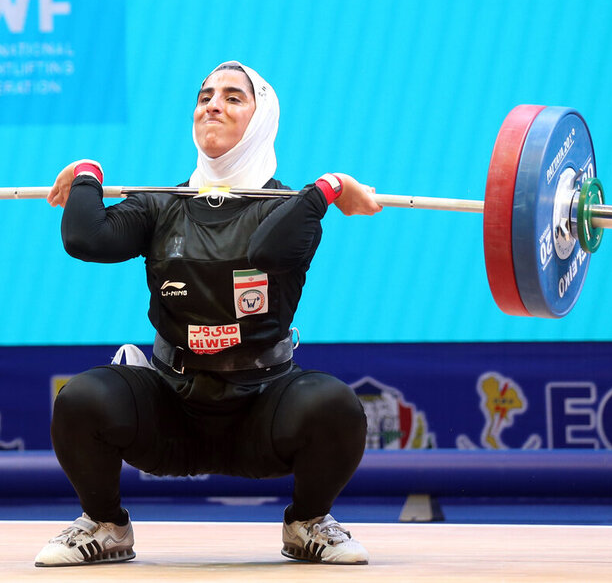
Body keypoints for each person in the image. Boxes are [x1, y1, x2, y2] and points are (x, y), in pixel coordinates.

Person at [35, 61, 382, 567]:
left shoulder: (288, 206)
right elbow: (87, 239)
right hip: (172, 407)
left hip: (262, 411)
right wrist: (87, 174)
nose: (212, 104)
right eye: (205, 96)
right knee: (82, 398)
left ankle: (307, 524)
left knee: (335, 405)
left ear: (261, 119)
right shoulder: (161, 205)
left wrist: (325, 189)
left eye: (233, 97)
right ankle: (106, 526)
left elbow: (268, 251)